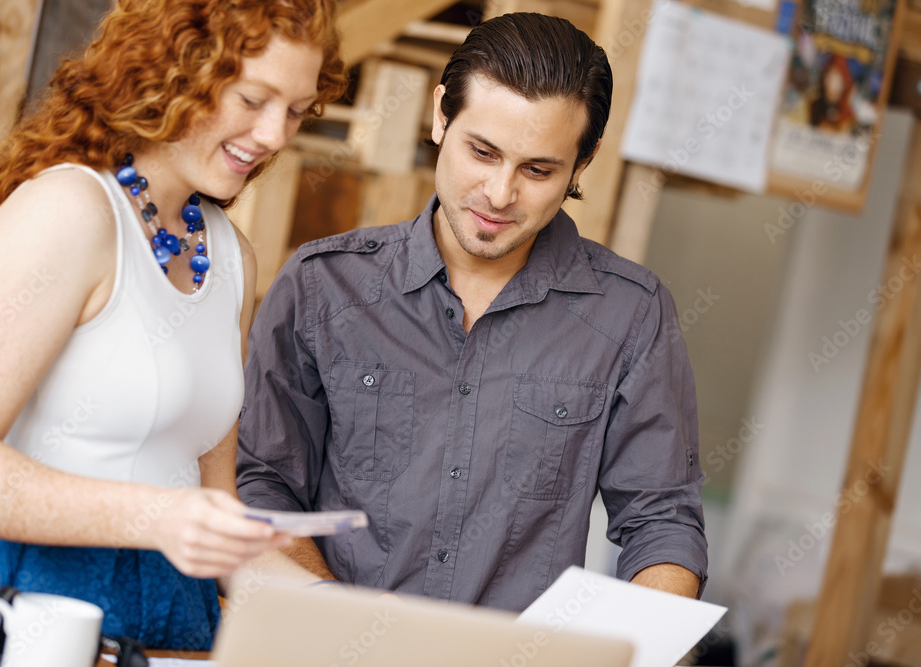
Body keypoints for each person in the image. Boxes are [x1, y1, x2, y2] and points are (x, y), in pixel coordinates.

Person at [236, 12, 707, 612]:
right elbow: (262, 484)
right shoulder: (322, 287)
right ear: (440, 115)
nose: (500, 193)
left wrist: (639, 642)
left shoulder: (630, 315)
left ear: (579, 167)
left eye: (538, 169)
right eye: (482, 152)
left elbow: (662, 520)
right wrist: (334, 620)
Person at [0, 0, 344, 649]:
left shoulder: (233, 256)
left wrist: (346, 616)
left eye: (295, 110)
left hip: (178, 622)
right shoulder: (69, 213)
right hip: (30, 610)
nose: (273, 135)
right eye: (253, 98)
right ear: (174, 69)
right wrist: (157, 515)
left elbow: (214, 513)